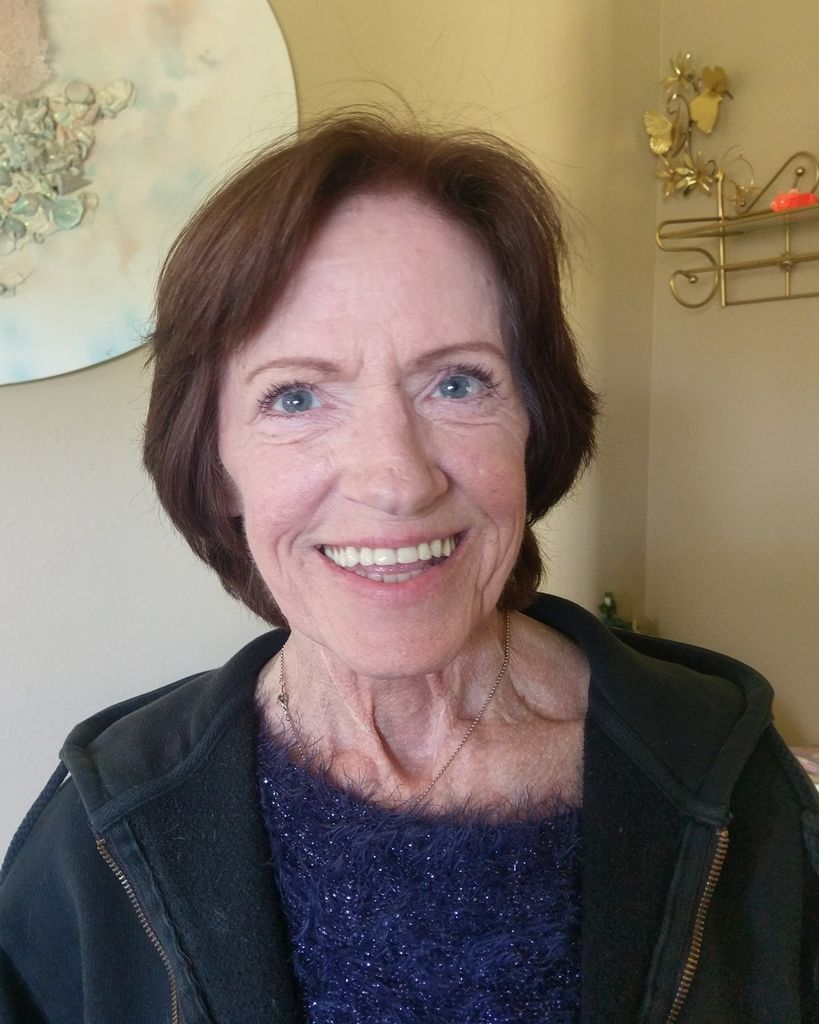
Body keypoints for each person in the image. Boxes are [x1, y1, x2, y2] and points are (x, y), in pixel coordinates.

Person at [1, 112, 817, 1024]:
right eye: (295, 396)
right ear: (215, 460)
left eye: (457, 383)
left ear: (533, 424)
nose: (395, 481)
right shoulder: (106, 821)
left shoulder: (730, 777)